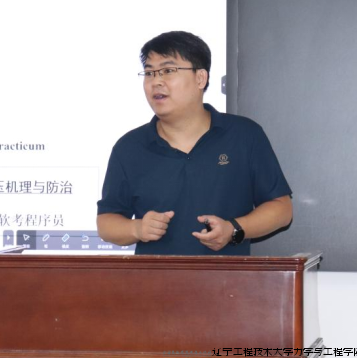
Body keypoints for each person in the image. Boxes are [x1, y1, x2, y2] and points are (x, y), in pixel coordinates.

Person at [96, 31, 292, 255]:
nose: (156, 81)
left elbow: (282, 209)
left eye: (168, 71)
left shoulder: (244, 135)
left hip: (229, 277)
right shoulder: (129, 147)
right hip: (154, 277)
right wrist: (137, 228)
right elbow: (106, 222)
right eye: (149, 73)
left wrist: (234, 229)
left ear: (200, 78)